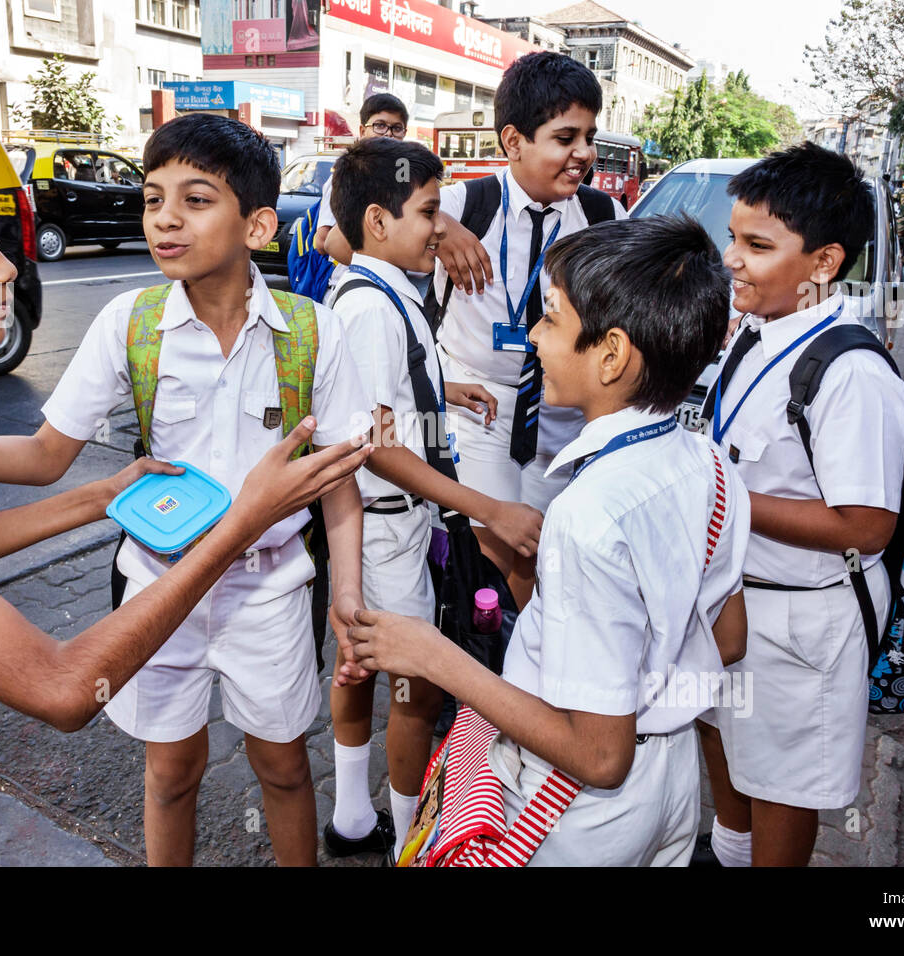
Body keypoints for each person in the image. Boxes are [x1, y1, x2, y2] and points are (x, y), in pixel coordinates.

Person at [0, 117, 370, 866]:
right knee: (170, 769)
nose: (9, 270)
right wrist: (242, 518)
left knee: (283, 763)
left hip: (257, 596)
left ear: (258, 225)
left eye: (195, 199)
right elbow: (60, 684)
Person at [343, 215, 751, 867]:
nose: (533, 336)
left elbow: (599, 755)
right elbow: (727, 641)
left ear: (612, 354)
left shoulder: (587, 516)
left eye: (552, 319)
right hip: (673, 785)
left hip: (580, 814)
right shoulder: (712, 466)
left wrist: (433, 655)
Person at [694, 142, 904, 867]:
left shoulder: (850, 371)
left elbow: (866, 526)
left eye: (757, 245)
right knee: (723, 735)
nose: (732, 258)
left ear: (823, 263)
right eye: (732, 237)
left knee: (782, 781)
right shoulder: (759, 332)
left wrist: (721, 498)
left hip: (799, 622)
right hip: (734, 600)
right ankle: (729, 851)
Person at [320, 137, 543, 862]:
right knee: (414, 686)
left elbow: (381, 393)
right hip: (386, 526)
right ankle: (411, 835)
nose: (439, 228)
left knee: (364, 664)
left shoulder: (386, 292)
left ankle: (358, 816)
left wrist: (444, 390)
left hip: (393, 523)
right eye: (428, 212)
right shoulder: (370, 307)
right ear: (378, 221)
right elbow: (375, 442)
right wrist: (488, 506)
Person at [427, 51, 627, 608]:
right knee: (491, 545)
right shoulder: (466, 202)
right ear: (513, 142)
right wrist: (439, 226)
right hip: (477, 407)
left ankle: (519, 667)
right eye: (565, 139)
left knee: (541, 548)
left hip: (561, 416)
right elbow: (351, 232)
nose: (583, 154)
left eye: (589, 137)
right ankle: (480, 668)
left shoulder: (603, 216)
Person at [314, 92, 411, 298]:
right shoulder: (346, 175)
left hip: (393, 287)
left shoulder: (405, 177)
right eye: (380, 125)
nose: (388, 134)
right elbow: (322, 241)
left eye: (396, 128)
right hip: (352, 287)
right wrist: (380, 266)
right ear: (362, 130)